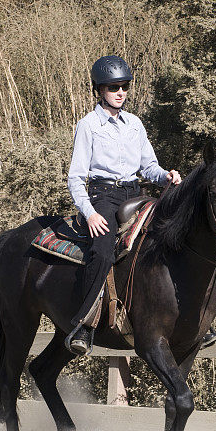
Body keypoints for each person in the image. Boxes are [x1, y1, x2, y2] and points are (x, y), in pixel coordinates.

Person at [65, 55, 181, 355]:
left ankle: (189, 318)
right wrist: (89, 213)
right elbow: (76, 178)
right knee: (103, 251)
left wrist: (166, 175)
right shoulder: (88, 126)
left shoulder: (135, 124)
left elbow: (149, 167)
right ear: (99, 90)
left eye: (125, 86)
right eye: (113, 87)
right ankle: (84, 325)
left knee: (171, 237)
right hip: (103, 196)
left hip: (136, 192)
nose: (120, 92)